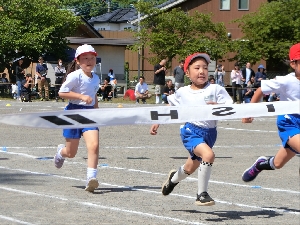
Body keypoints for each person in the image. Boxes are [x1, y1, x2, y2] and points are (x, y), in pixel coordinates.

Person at [150, 53, 233, 206]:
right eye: (197, 68)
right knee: (208, 155)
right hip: (190, 131)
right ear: (187, 72)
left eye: (205, 68)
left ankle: (172, 179)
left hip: (210, 133)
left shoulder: (216, 89)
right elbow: (171, 106)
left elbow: (230, 107)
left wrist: (219, 107)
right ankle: (201, 194)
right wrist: (158, 120)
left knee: (190, 167)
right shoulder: (183, 92)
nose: (201, 71)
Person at [241, 43, 300, 183]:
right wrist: (249, 111)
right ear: (293, 64)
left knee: (278, 163)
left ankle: (260, 164)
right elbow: (261, 90)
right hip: (289, 122)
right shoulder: (286, 81)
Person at [54, 44, 100, 193]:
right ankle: (61, 152)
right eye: (85, 58)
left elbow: (93, 95)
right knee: (71, 153)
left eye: (92, 58)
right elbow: (62, 92)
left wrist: (96, 110)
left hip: (89, 115)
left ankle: (91, 178)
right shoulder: (75, 76)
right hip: (73, 113)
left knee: (93, 145)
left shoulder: (96, 77)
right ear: (78, 61)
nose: (89, 61)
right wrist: (80, 96)